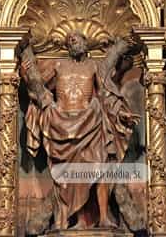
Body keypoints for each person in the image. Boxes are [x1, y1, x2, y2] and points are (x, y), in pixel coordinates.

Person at [19, 31, 139, 230]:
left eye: (77, 39)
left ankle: (103, 217)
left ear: (85, 43)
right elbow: (40, 88)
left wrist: (120, 113)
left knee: (99, 169)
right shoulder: (58, 66)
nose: (73, 41)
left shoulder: (94, 66)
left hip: (91, 123)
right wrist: (26, 76)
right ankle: (78, 220)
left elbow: (105, 94)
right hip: (62, 125)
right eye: (70, 40)